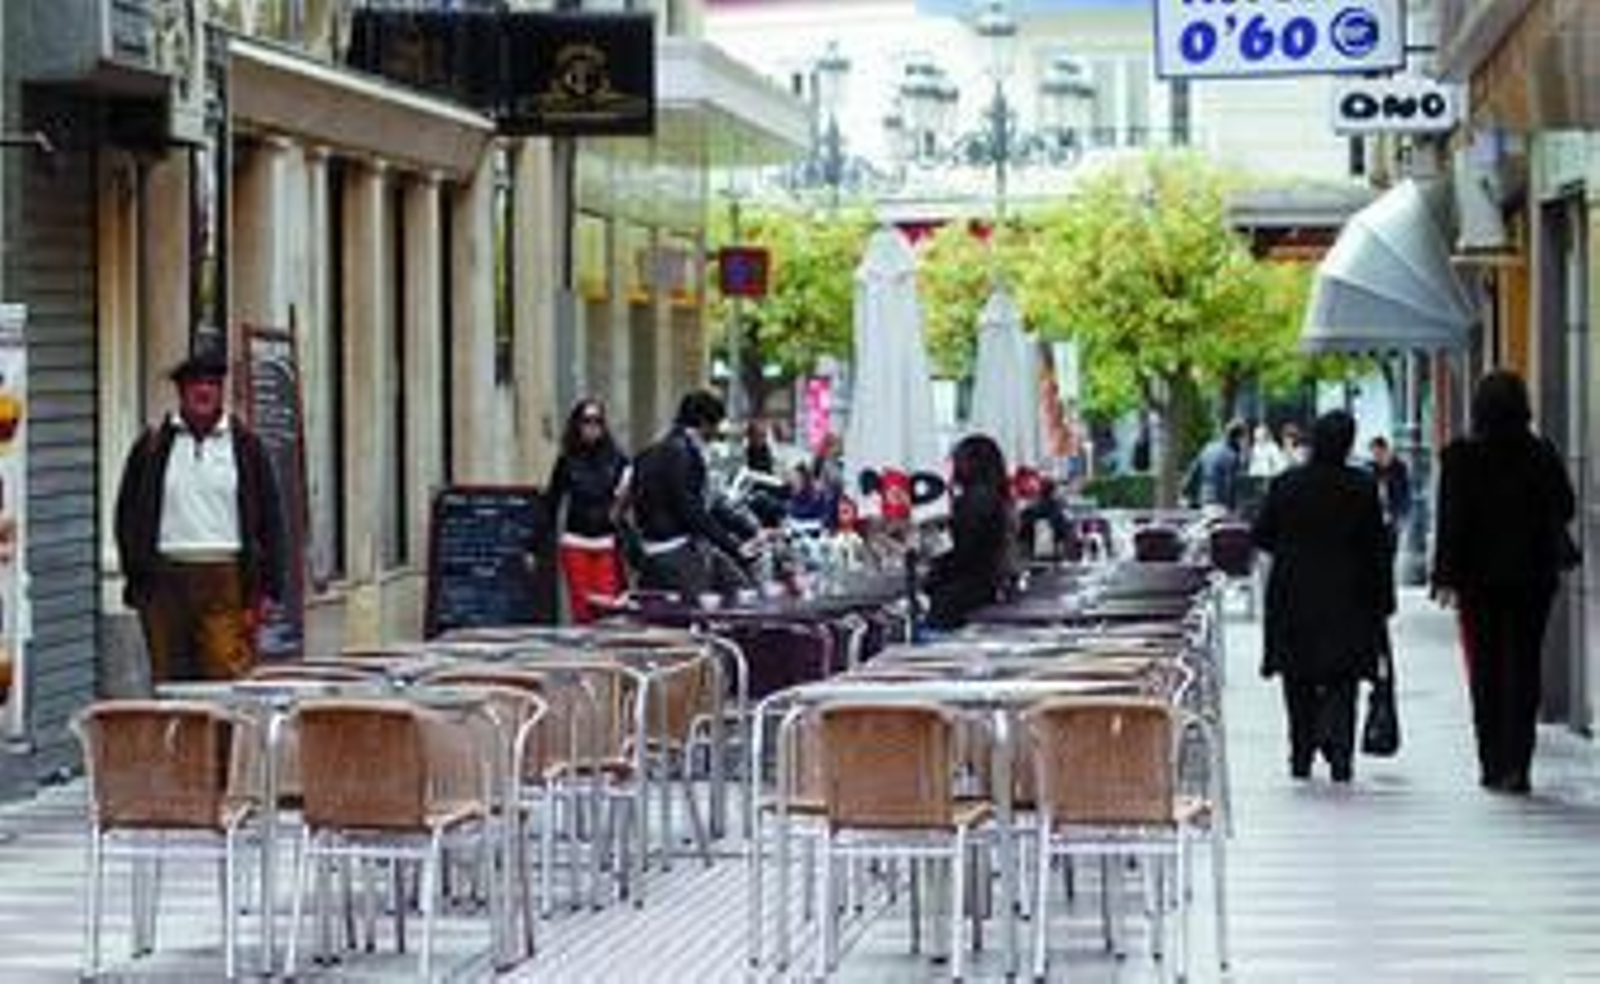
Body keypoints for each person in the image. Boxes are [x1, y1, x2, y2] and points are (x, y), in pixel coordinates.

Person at [1431, 370, 1576, 795]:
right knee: (1524, 664)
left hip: (1479, 580)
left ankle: (1492, 762)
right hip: (1533, 576)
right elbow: (1565, 507)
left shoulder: (1460, 456)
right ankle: (1520, 764)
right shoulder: (1540, 452)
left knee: (1486, 668)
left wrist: (1444, 577)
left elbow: (1451, 522)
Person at [114, 351, 286, 683]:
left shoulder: (247, 446)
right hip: (164, 578)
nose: (203, 392)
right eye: (195, 385)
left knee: (225, 676)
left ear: (221, 391)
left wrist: (269, 589)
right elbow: (127, 515)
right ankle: (179, 737)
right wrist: (135, 573)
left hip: (224, 578)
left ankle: (222, 737)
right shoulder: (151, 446)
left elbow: (272, 519)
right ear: (181, 393)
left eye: (211, 384)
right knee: (169, 681)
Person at [1252, 410, 1394, 782]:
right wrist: (1384, 602)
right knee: (1342, 679)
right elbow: (1377, 549)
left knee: (1297, 677)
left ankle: (1301, 753)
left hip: (1294, 596)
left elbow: (1262, 535)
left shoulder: (1286, 484)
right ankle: (1341, 754)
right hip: (1348, 598)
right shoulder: (1361, 487)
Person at [626, 390, 759, 598]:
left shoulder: (655, 450)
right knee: (714, 607)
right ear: (704, 423)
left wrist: (743, 534)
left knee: (737, 587)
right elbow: (693, 510)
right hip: (675, 550)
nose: (716, 433)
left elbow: (707, 504)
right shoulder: (683, 452)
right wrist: (734, 546)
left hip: (658, 548)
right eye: (715, 424)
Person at [546, 399, 629, 623]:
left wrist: (620, 509)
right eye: (586, 421)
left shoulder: (618, 460)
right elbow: (551, 502)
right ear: (577, 425)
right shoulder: (567, 461)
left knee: (608, 611)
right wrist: (534, 546)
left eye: (597, 421)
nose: (592, 427)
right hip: (575, 542)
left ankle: (603, 657)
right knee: (582, 610)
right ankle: (584, 656)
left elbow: (628, 497)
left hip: (606, 542)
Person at [923, 433, 1017, 630]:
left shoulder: (973, 502)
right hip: (982, 590)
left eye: (956, 459)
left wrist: (933, 565)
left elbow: (959, 552)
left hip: (958, 597)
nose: (953, 466)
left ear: (970, 463)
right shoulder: (996, 498)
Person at [1182, 418, 1249, 511]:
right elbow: (1231, 485)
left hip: (1203, 500)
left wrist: (1187, 497)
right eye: (1245, 438)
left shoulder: (1208, 448)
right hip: (1220, 504)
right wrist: (1233, 509)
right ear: (1239, 438)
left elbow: (1192, 474)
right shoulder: (1232, 456)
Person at [1367, 435, 1413, 555]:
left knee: (1391, 549)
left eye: (1378, 453)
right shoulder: (1371, 468)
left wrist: (1402, 515)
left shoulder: (1399, 467)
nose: (1376, 457)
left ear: (1385, 450)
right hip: (1375, 518)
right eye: (1374, 454)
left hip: (1393, 516)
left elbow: (1405, 492)